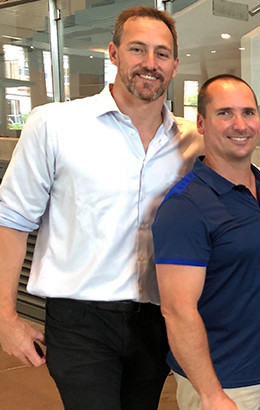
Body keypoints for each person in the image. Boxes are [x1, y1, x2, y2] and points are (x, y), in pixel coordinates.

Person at [0, 7, 201, 409]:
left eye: (162, 54)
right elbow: (11, 221)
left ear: (175, 65)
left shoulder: (192, 140)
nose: (150, 63)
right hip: (79, 320)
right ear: (113, 53)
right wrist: (5, 318)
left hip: (156, 319)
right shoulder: (55, 124)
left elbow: (246, 177)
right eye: (137, 49)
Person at [152, 74, 260, 410]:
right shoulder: (185, 206)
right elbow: (176, 311)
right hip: (223, 386)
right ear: (201, 123)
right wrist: (210, 394)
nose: (240, 124)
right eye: (225, 113)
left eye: (248, 112)